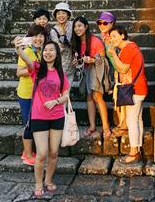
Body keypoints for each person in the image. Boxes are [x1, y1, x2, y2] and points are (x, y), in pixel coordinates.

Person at [14, 39, 70, 199]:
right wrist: (18, 49)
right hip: (39, 116)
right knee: (42, 154)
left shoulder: (61, 73)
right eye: (45, 50)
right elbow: (25, 58)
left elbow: (66, 95)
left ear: (56, 54)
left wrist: (56, 101)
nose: (48, 52)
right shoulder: (37, 69)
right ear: (42, 53)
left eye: (51, 50)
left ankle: (49, 179)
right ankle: (38, 183)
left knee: (54, 152)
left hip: (57, 116)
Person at [107, 25, 148, 163]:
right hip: (139, 88)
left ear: (122, 36)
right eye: (110, 37)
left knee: (131, 121)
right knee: (137, 119)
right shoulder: (132, 47)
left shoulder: (128, 49)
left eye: (114, 36)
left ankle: (133, 153)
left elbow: (123, 69)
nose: (112, 39)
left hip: (134, 90)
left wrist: (113, 54)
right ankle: (138, 149)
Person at [71, 17, 111, 139]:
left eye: (80, 26)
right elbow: (79, 59)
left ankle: (105, 127)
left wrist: (92, 60)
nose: (77, 29)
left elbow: (104, 59)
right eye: (75, 27)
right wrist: (76, 62)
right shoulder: (77, 42)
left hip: (96, 71)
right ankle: (92, 126)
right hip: (87, 71)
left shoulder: (95, 41)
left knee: (97, 97)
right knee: (89, 97)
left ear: (86, 26)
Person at [15, 24, 48, 165]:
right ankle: (27, 154)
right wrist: (33, 70)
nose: (38, 38)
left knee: (34, 123)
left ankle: (29, 152)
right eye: (35, 35)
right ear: (30, 38)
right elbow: (19, 72)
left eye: (41, 35)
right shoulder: (27, 52)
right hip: (27, 94)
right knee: (28, 124)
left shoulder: (42, 52)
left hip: (38, 95)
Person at [96, 12, 127, 135]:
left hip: (123, 69)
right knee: (117, 98)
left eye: (105, 23)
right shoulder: (104, 35)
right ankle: (121, 124)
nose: (102, 25)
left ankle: (124, 126)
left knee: (122, 98)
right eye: (100, 22)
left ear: (112, 23)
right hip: (116, 71)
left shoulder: (115, 36)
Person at [50, 2, 74, 83]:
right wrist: (62, 38)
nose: (61, 16)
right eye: (59, 14)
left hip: (71, 64)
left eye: (63, 13)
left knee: (68, 90)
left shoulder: (73, 26)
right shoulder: (53, 31)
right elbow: (57, 50)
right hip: (60, 65)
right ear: (56, 16)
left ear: (68, 15)